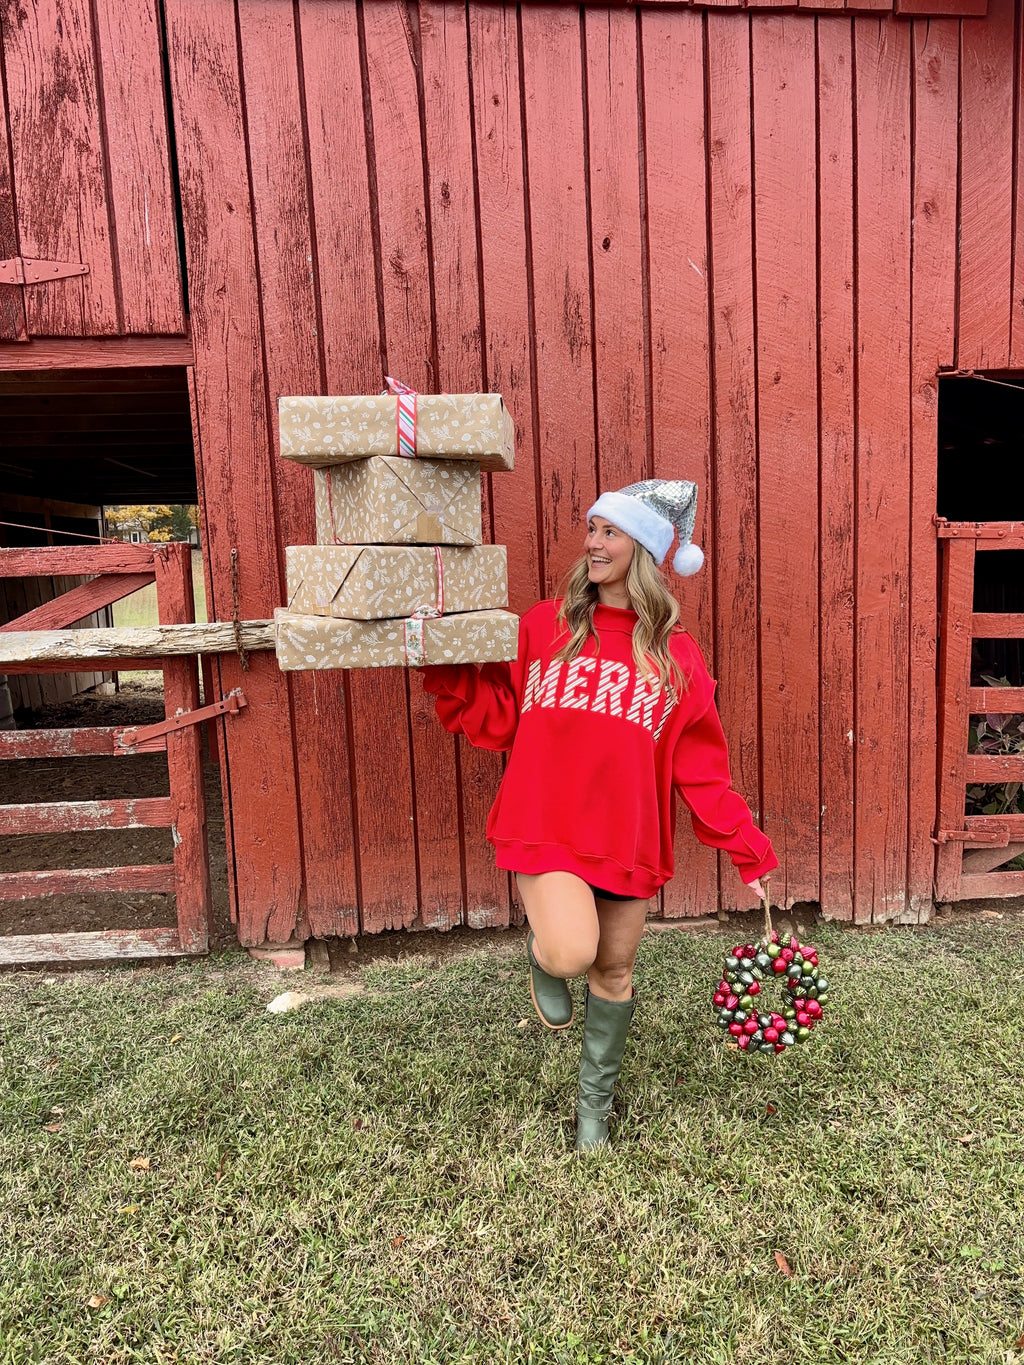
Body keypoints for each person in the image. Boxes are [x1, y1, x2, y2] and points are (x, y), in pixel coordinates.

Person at [421, 479, 777, 1152]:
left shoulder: (678, 659)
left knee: (613, 972)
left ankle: (593, 1113)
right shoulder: (541, 627)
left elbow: (699, 769)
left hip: (626, 838)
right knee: (573, 950)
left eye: (609, 531)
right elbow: (502, 720)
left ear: (643, 550)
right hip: (544, 824)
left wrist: (749, 850)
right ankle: (543, 952)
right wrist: (443, 666)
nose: (592, 542)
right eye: (590, 529)